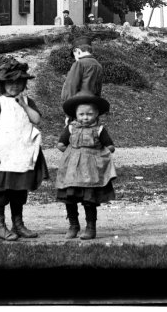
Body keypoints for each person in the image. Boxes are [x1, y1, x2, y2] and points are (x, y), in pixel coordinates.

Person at [0, 60, 48, 241]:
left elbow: (36, 120)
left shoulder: (28, 102)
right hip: (3, 155)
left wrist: (24, 105)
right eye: (10, 82)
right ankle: (0, 226)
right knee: (1, 191)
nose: (14, 86)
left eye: (19, 82)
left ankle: (18, 224)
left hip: (20, 153)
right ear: (3, 84)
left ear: (24, 84)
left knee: (19, 190)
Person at [55, 92, 117, 240]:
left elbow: (110, 146)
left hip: (90, 171)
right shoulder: (70, 128)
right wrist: (72, 154)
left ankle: (90, 227)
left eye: (89, 114)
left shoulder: (100, 130)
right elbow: (61, 144)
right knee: (69, 197)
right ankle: (73, 225)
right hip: (72, 171)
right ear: (75, 115)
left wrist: (99, 155)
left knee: (89, 199)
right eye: (81, 114)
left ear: (96, 114)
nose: (85, 117)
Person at [61, 36, 104, 115]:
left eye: (74, 55)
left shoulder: (79, 63)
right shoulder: (98, 65)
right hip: (91, 106)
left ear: (77, 51)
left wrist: (69, 110)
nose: (75, 58)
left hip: (77, 106)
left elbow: (71, 86)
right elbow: (98, 89)